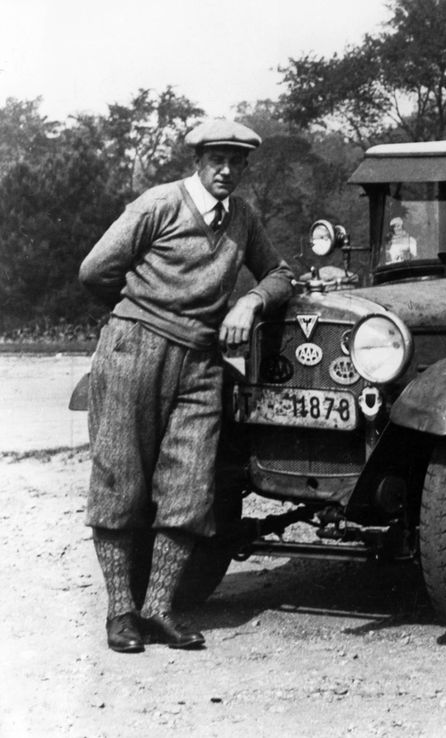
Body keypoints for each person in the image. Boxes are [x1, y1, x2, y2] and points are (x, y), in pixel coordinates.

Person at [79, 119, 294, 653]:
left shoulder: (242, 217)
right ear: (197, 160)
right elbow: (94, 271)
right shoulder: (159, 203)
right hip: (136, 350)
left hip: (202, 361)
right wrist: (140, 313)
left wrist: (250, 300)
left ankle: (159, 607)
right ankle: (121, 612)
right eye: (216, 159)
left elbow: (281, 273)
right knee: (120, 478)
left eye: (236, 161)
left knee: (190, 484)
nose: (226, 170)